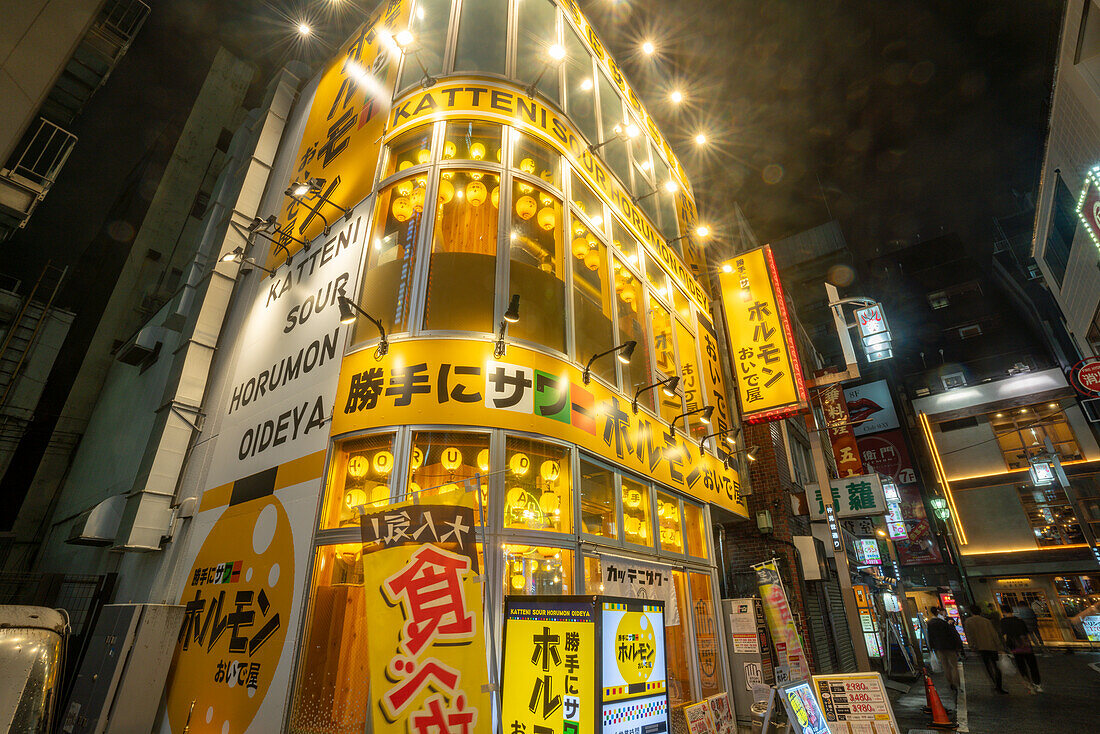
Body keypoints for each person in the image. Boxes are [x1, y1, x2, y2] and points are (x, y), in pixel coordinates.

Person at [963, 604, 1008, 694]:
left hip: (980, 647)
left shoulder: (968, 622)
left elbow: (969, 635)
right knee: (995, 665)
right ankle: (999, 685)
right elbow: (994, 634)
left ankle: (994, 683)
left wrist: (972, 646)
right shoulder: (986, 621)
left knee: (988, 665)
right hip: (991, 646)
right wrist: (1000, 647)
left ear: (971, 612)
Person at [1002, 604, 1042, 693]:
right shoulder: (1020, 621)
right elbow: (1026, 633)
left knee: (1022, 666)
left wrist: (1006, 647)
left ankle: (1029, 685)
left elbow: (1004, 635)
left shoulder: (1004, 621)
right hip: (1026, 645)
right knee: (1032, 665)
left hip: (1015, 647)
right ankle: (1038, 684)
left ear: (1003, 612)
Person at [926, 606, 963, 692]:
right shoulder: (943, 622)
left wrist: (932, 648)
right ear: (938, 612)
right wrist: (957, 646)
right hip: (949, 646)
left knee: (945, 666)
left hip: (939, 647)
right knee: (954, 666)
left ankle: (950, 683)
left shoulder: (930, 623)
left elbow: (930, 637)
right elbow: (951, 634)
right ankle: (957, 683)